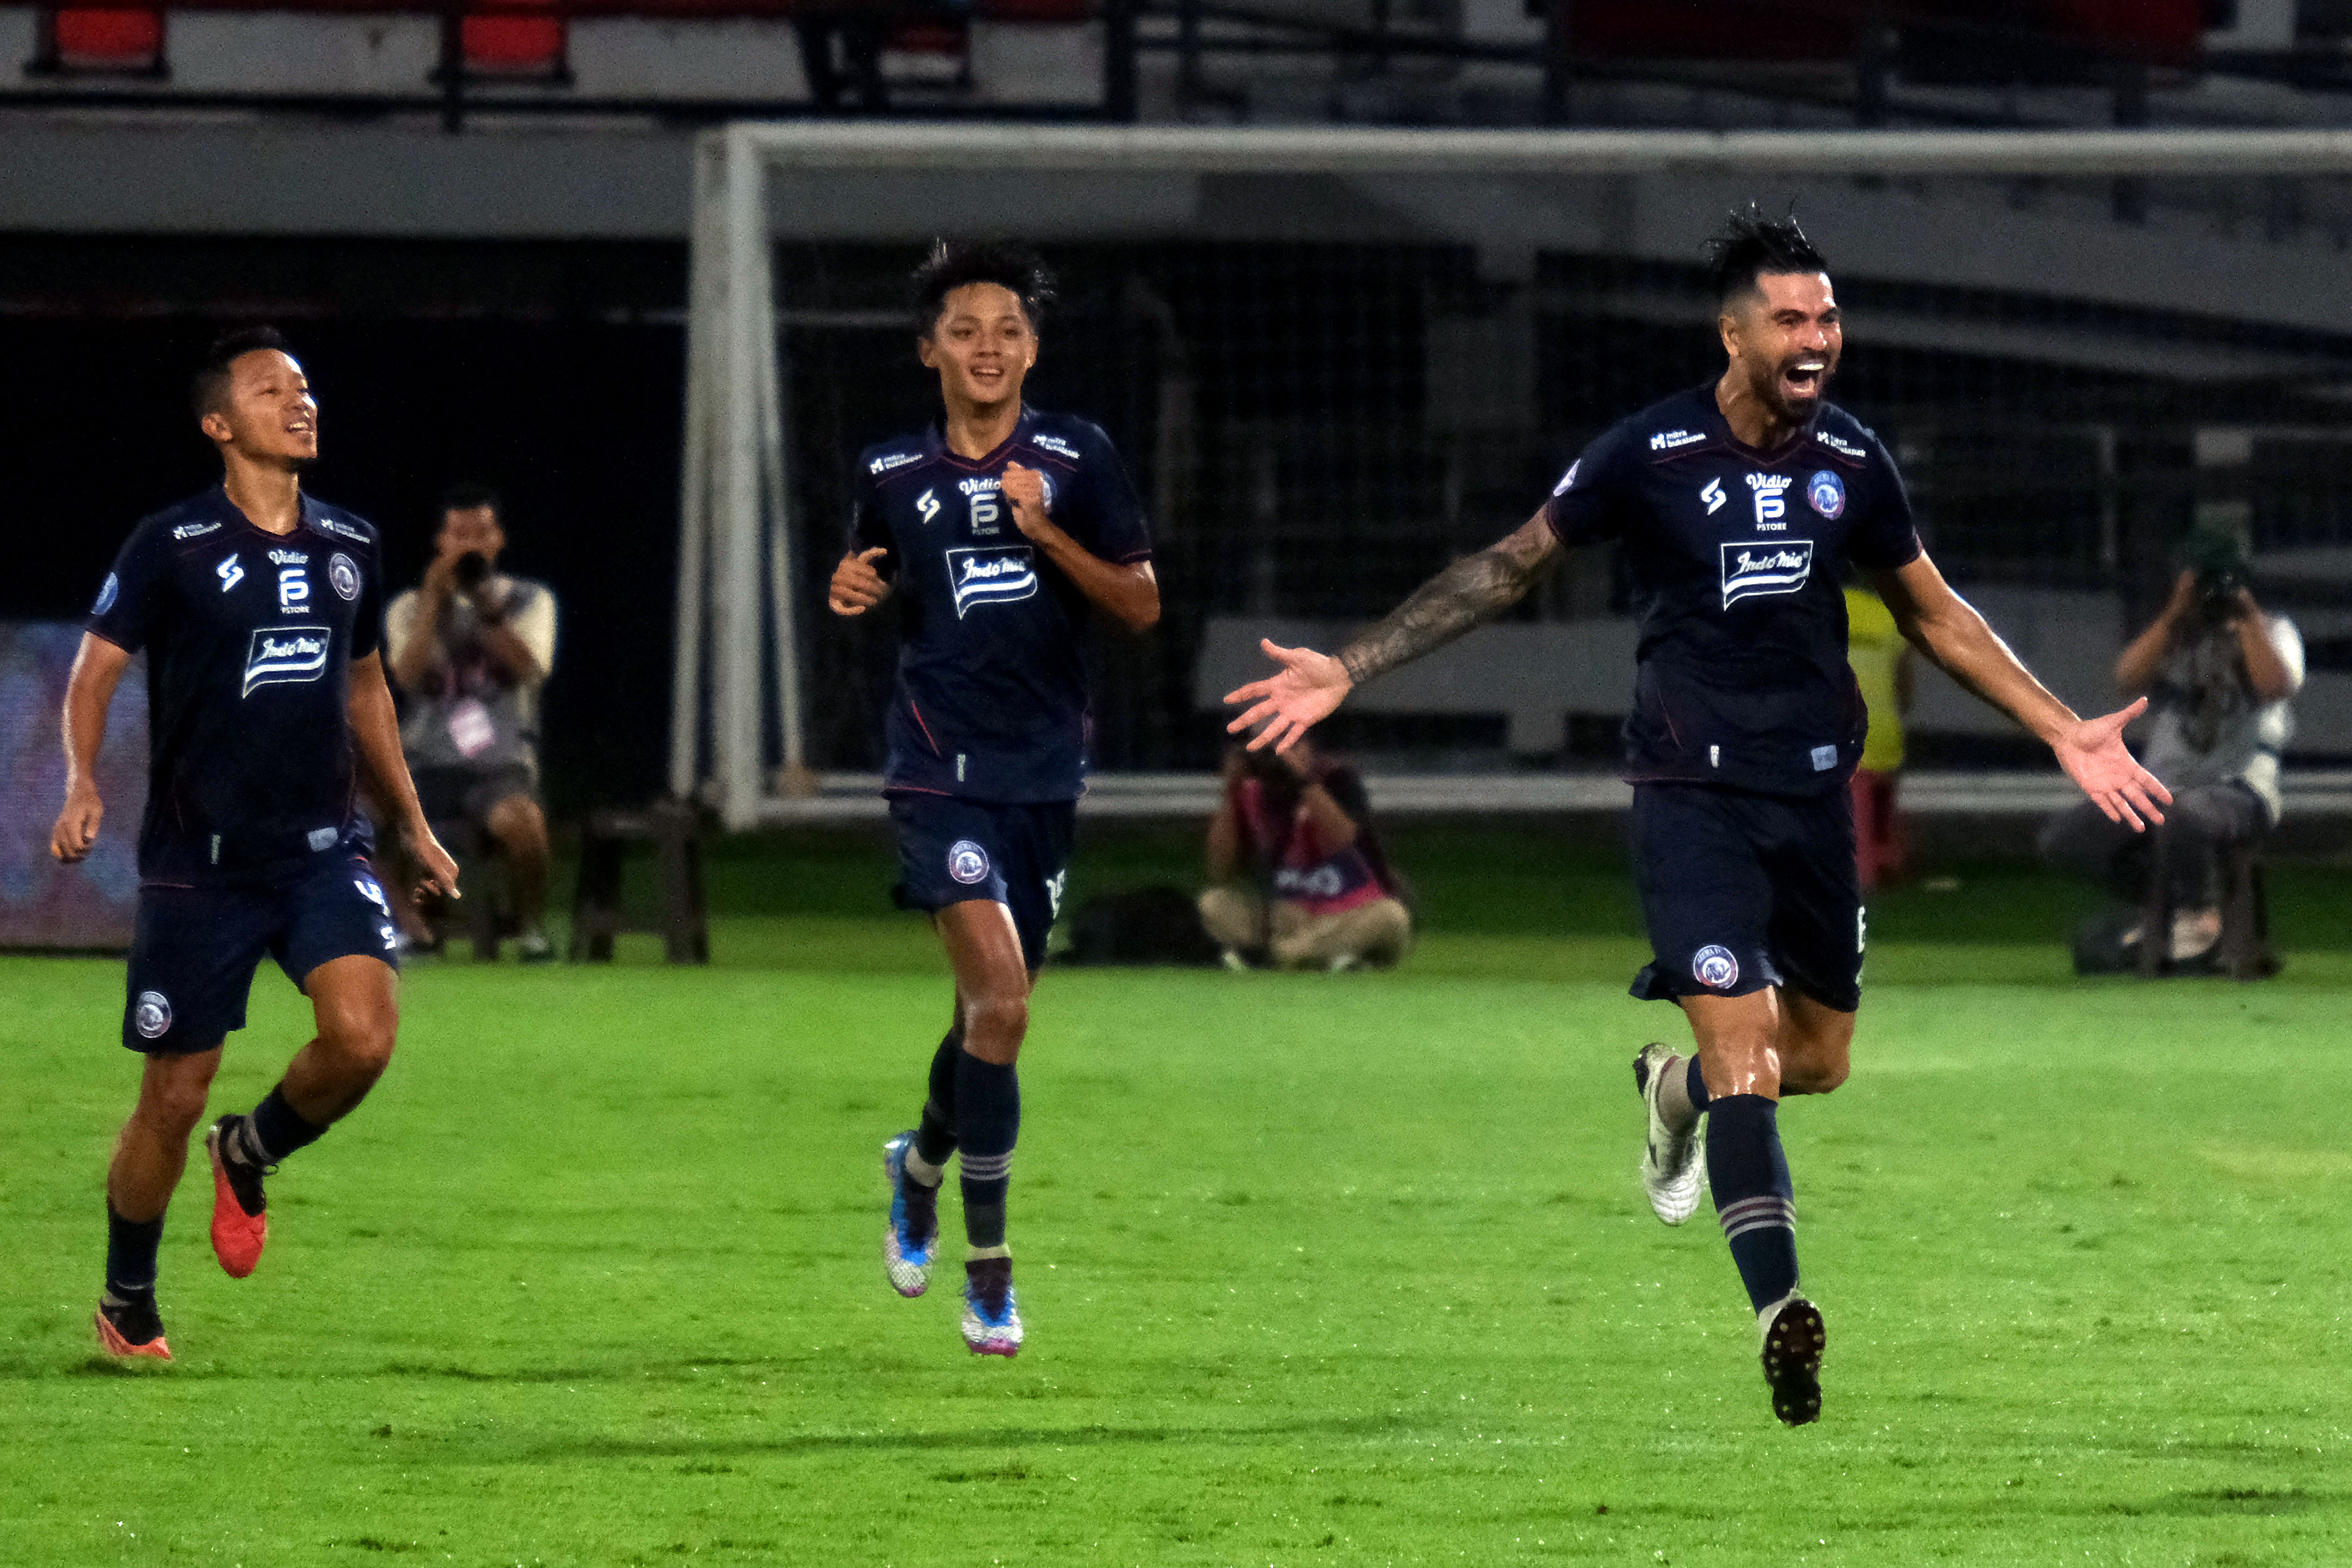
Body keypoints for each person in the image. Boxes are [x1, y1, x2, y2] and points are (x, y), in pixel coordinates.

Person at [1224, 209, 2167, 1426]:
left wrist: (2059, 724)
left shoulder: (1853, 460)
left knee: (1814, 1060)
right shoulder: (1648, 451)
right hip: (1689, 795)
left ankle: (1668, 1099)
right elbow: (1510, 565)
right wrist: (1352, 665)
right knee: (1749, 1056)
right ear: (1733, 334)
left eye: (1827, 315)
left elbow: (1933, 610)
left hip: (1813, 797)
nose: (1816, 336)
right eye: (1791, 318)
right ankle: (1781, 1311)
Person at [50, 327, 460, 1361]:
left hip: (322, 850)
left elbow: (366, 690)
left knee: (365, 1035)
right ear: (219, 423)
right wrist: (83, 779)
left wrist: (411, 824)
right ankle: (127, 1296)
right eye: (273, 390)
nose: (301, 402)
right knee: (172, 1093)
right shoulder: (171, 545)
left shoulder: (351, 547)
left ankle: (257, 1143)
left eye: (307, 387)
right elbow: (95, 670)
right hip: (200, 867)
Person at [827, 241, 1158, 1357]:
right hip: (936, 772)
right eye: (964, 330)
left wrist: (1047, 530)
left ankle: (916, 1169)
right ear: (930, 351)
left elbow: (1143, 605)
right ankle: (992, 1272)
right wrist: (850, 584)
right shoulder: (889, 472)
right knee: (1005, 1008)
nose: (986, 347)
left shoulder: (1077, 457)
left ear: (1033, 348)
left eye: (1007, 330)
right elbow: (862, 574)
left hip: (1043, 776)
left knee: (988, 1016)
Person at [2039, 532, 2302, 964]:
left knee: (2188, 814)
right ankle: (2179, 912)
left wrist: (2247, 617)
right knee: (2067, 837)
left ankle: (2200, 919)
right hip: (2164, 782)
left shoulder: (2275, 631)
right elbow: (2125, 679)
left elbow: (2275, 685)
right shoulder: (2176, 634)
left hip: (2241, 785)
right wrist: (2175, 615)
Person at [385, 484, 558, 962]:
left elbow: (529, 668)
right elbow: (407, 676)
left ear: (498, 540)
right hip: (425, 763)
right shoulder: (407, 607)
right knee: (363, 822)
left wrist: (485, 607)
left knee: (523, 826)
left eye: (480, 534)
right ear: (440, 542)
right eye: (458, 535)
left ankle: (529, 927)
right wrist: (433, 603)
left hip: (499, 764)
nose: (469, 546)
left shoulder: (530, 600)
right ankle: (414, 926)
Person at [1199, 737, 1411, 971]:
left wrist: (1303, 782)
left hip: (1343, 911)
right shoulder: (1252, 792)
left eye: (1288, 745)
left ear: (1310, 747)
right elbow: (1220, 870)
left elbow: (1343, 840)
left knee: (1391, 917)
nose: (1278, 758)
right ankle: (1328, 958)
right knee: (1214, 904)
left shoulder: (1338, 780)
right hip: (1281, 915)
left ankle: (1282, 956)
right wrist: (1231, 790)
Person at [1843, 579, 1914, 890]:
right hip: (1884, 729)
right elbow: (1905, 687)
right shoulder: (1889, 617)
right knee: (1883, 809)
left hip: (1838, 732)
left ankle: (1862, 876)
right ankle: (1888, 865)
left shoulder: (1817, 612)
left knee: (1852, 811)